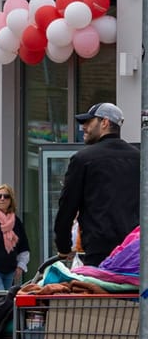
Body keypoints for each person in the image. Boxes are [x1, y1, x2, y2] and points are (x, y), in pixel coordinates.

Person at [54, 102, 140, 267]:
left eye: (88, 122)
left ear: (105, 123)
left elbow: (67, 207)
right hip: (134, 251)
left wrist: (63, 247)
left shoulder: (83, 159)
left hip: (99, 251)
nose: (83, 127)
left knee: (99, 291)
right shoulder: (139, 158)